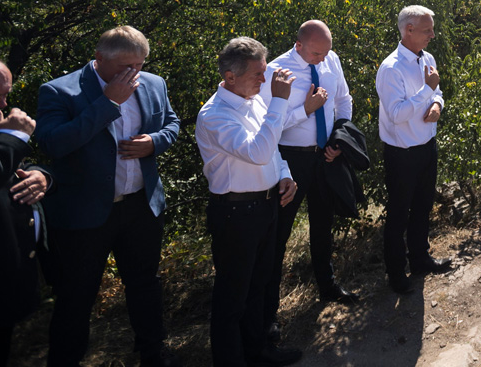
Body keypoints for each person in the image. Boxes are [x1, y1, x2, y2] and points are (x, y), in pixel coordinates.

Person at [35, 27, 181, 367]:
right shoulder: (60, 91)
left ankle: (153, 353)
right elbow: (53, 143)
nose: (133, 75)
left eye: (139, 66)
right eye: (124, 67)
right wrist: (108, 102)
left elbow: (172, 124)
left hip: (140, 206)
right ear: (100, 58)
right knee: (76, 297)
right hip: (84, 214)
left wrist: (154, 142)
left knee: (145, 284)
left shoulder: (154, 83)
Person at [196, 37, 302, 367]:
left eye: (265, 71)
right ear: (230, 76)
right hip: (235, 213)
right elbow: (256, 152)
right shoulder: (214, 115)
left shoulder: (254, 99)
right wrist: (281, 102)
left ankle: (258, 352)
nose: (264, 79)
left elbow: (271, 148)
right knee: (232, 297)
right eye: (258, 73)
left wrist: (283, 173)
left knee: (258, 286)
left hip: (266, 206)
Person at [262, 20, 358, 339]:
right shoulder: (276, 71)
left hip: (325, 153)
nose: (322, 59)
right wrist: (306, 109)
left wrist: (339, 139)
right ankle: (267, 314)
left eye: (326, 52)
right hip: (291, 159)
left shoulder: (331, 59)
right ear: (299, 45)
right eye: (317, 53)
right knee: (279, 234)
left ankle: (327, 287)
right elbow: (271, 125)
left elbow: (343, 100)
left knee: (323, 223)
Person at [376, 5, 451, 293]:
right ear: (408, 30)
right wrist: (427, 91)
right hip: (402, 153)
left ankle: (420, 259)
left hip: (426, 147)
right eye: (427, 29)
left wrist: (436, 104)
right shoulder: (391, 68)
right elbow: (396, 114)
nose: (433, 34)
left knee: (422, 207)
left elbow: (438, 94)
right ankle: (396, 274)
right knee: (398, 214)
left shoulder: (426, 58)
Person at [0, 58, 51, 367]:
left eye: (6, 93)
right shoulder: (7, 132)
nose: (3, 103)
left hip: (3, 285)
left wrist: (41, 175)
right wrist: (14, 138)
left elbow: (11, 168)